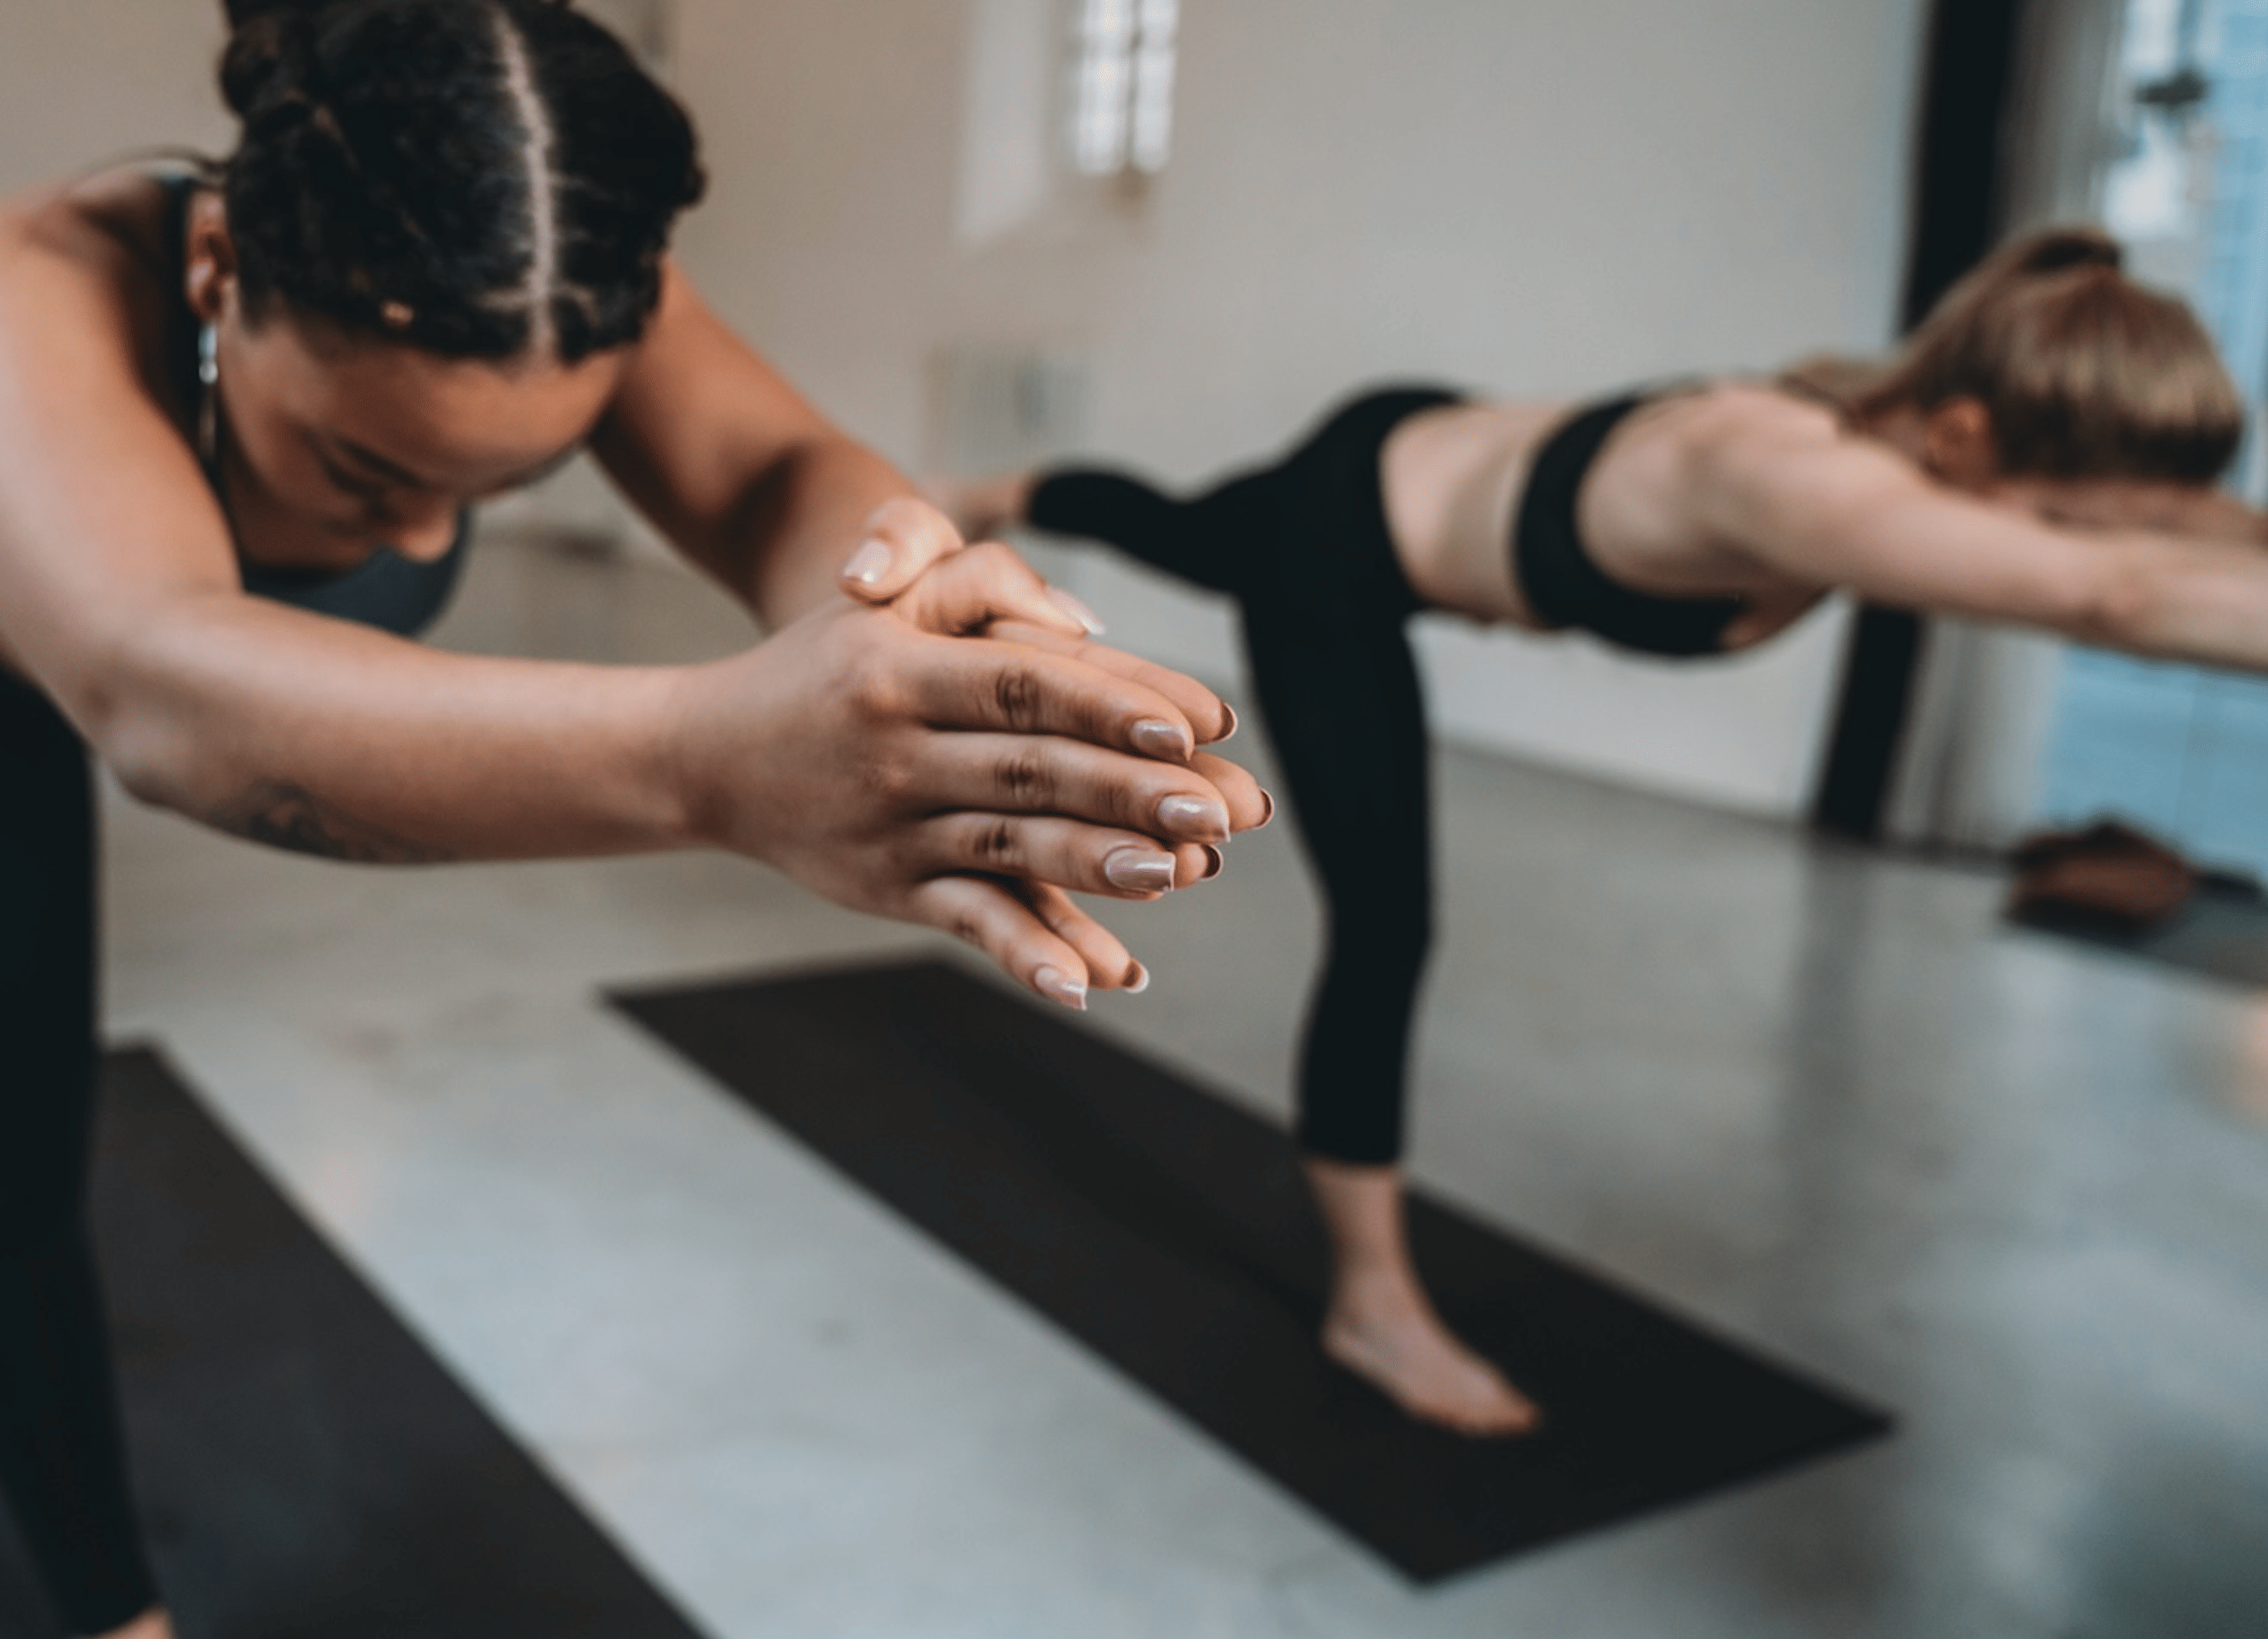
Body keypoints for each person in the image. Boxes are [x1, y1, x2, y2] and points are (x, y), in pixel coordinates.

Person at [0, 0, 1270, 1639]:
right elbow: (168, 702)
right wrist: (710, 766)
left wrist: (925, 614)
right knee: (10, 1148)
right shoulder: (11, 278)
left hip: (167, 655)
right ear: (211, 265)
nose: (422, 547)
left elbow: (768, 480)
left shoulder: (543, 278)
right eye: (368, 472)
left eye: (494, 487)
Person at [949, 228, 2268, 1436]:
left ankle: (1002, 487)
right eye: (2064, 511)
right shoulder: (1779, 473)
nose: (2072, 539)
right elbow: (2117, 589)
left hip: (1415, 435)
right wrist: (2129, 554)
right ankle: (1375, 1306)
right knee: (1383, 916)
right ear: (1968, 439)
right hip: (1344, 546)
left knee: (1194, 524)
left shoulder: (1889, 417)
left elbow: (2167, 535)